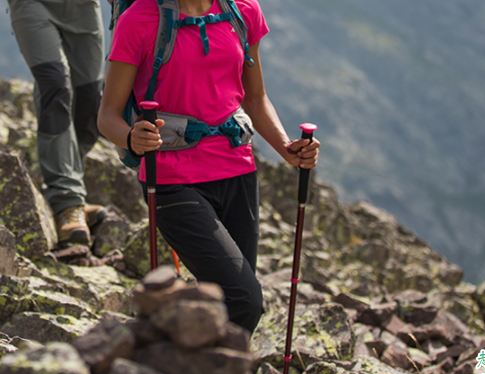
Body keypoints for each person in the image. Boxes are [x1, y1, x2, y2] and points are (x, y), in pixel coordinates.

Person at [97, 0, 320, 333]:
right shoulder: (139, 19)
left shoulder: (243, 11)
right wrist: (132, 139)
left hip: (238, 172)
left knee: (231, 306)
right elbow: (107, 116)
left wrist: (287, 148)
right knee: (244, 300)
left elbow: (255, 99)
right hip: (171, 180)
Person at [7, 0, 106, 244]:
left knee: (90, 98)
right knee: (55, 85)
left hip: (83, 7)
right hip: (32, 4)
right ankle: (67, 201)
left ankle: (69, 187)